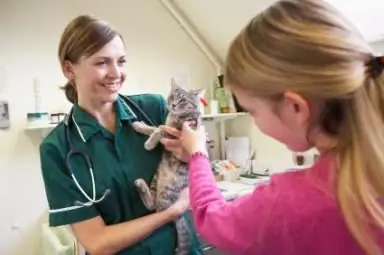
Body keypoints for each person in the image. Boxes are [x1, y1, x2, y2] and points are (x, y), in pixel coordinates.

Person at [162, 0, 384, 254]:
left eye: (252, 111)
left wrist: (198, 154)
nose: (254, 121)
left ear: (295, 108)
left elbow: (213, 220)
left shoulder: (289, 203)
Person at [39, 15, 202, 255]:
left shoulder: (154, 109)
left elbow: (200, 151)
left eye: (122, 61)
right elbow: (98, 243)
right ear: (68, 69)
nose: (116, 73)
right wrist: (170, 212)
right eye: (102, 62)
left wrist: (195, 155)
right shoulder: (57, 148)